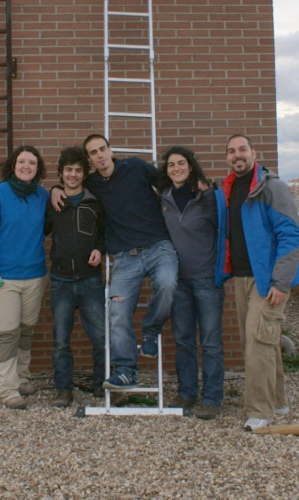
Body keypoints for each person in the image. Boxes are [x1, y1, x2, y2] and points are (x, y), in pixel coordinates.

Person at [52, 134, 178, 390]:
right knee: (117, 312)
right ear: (89, 160)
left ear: (110, 150)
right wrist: (54, 189)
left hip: (158, 247)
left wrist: (196, 185)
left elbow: (168, 182)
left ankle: (151, 330)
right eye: (93, 153)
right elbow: (70, 184)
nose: (99, 155)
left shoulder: (135, 167)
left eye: (102, 149)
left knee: (167, 284)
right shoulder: (92, 184)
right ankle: (125, 371)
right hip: (125, 258)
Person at [222, 134, 299, 431]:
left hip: (268, 280)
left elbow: (292, 235)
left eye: (242, 149)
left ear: (253, 153)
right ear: (227, 157)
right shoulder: (230, 188)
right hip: (241, 277)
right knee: (261, 340)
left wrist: (280, 283)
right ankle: (278, 401)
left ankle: (259, 411)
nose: (237, 155)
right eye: (232, 151)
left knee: (258, 343)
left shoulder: (272, 188)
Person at [158, 146, 230, 420]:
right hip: (178, 282)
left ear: (190, 166)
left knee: (210, 342)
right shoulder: (163, 198)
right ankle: (187, 393)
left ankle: (212, 398)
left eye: (181, 163)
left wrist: (209, 192)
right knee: (183, 340)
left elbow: (223, 226)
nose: (176, 168)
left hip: (207, 279)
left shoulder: (205, 196)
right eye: (171, 165)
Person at [0, 145, 49, 410]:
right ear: (13, 165)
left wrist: (57, 191)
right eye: (22, 161)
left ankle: (22, 378)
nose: (26, 166)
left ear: (38, 168)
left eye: (32, 162)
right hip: (2, 279)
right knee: (6, 334)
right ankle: (7, 390)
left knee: (25, 332)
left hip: (35, 277)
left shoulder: (42, 196)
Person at [45, 146, 106, 407]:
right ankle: (63, 389)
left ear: (84, 173)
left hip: (90, 280)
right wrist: (52, 191)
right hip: (61, 282)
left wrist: (100, 249)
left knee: (101, 338)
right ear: (61, 173)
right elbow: (40, 230)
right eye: (68, 170)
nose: (73, 175)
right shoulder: (53, 203)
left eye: (78, 170)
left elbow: (104, 235)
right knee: (61, 340)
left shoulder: (95, 203)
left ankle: (102, 385)